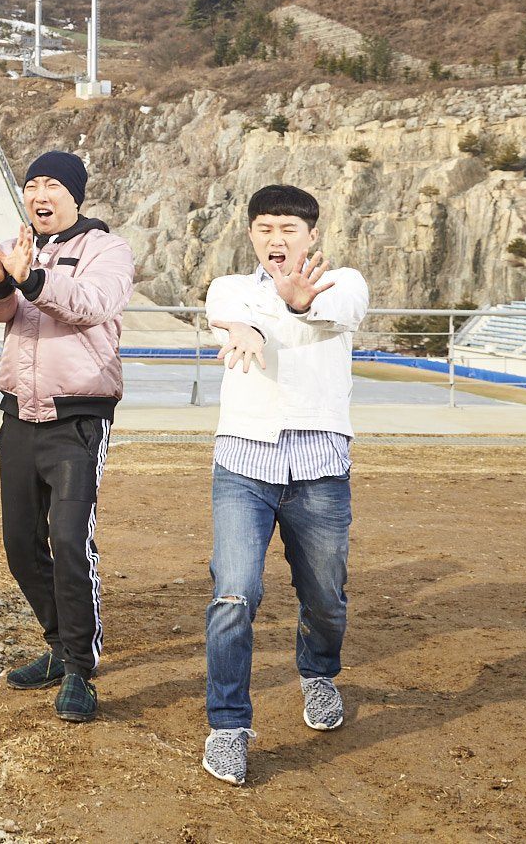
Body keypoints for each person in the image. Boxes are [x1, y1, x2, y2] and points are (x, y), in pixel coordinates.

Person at [198, 184, 369, 786]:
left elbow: (337, 312)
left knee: (325, 597)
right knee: (234, 594)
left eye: (289, 229)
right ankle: (228, 727)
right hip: (244, 463)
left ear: (312, 234)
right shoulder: (232, 288)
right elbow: (231, 317)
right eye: (266, 228)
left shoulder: (345, 282)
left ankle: (318, 675)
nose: (277, 238)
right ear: (251, 233)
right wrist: (248, 328)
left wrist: (295, 306)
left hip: (319, 465)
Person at [0, 151, 134, 723]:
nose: (40, 194)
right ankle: (58, 646)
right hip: (18, 416)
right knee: (19, 543)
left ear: (75, 196)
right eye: (32, 184)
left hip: (77, 419)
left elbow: (89, 305)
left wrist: (29, 277)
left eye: (52, 184)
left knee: (68, 541)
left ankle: (81, 669)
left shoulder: (105, 250)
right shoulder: (22, 248)